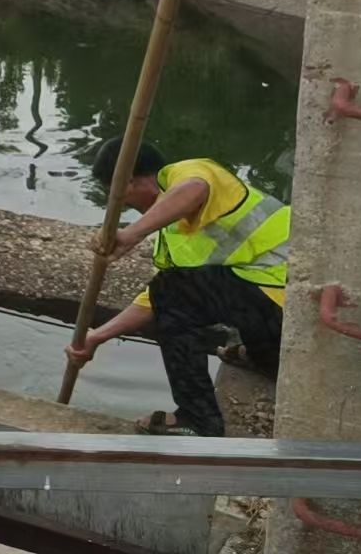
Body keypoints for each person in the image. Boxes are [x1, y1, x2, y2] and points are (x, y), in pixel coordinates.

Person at [64, 139, 290, 436]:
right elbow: (154, 301)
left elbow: (195, 189)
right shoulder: (170, 233)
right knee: (175, 293)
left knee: (173, 294)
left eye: (117, 193)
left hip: (298, 297)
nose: (123, 204)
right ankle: (265, 355)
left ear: (129, 182)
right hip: (274, 307)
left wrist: (132, 234)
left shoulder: (188, 171)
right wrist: (96, 337)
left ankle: (198, 419)